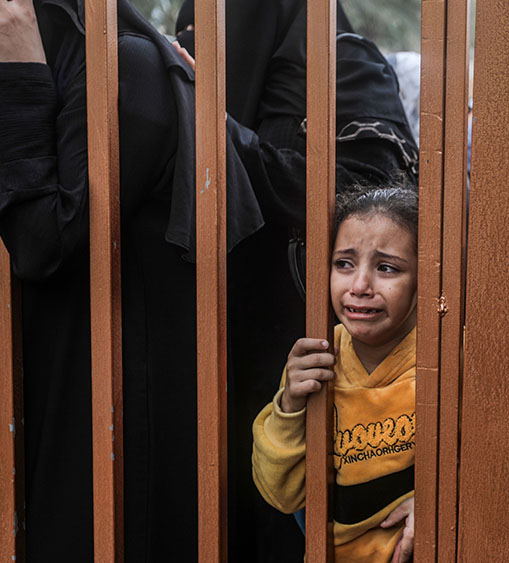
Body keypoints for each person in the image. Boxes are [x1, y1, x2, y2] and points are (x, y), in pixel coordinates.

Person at [0, 0, 262, 560]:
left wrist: (20, 69)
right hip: (59, 382)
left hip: (116, 407)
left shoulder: (126, 68)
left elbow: (41, 241)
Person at [172, 3, 418, 559]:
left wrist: (217, 129)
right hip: (221, 351)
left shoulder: (343, 65)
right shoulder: (190, 78)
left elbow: (373, 204)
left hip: (325, 350)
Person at [252, 184, 418, 563]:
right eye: (344, 264)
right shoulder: (316, 361)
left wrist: (442, 501)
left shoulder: (455, 356)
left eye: (387, 268)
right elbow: (282, 496)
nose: (359, 286)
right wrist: (290, 406)